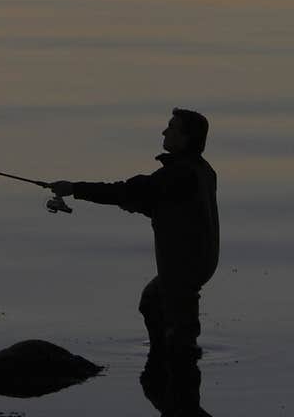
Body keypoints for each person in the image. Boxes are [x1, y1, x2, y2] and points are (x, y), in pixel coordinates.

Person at [50, 108, 219, 396]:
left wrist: (74, 188)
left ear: (186, 138)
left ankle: (181, 389)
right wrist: (135, 203)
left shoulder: (180, 174)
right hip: (197, 262)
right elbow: (162, 204)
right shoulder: (199, 170)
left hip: (183, 265)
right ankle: (161, 362)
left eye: (171, 128)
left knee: (182, 332)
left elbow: (129, 191)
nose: (164, 132)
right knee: (152, 301)